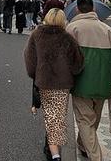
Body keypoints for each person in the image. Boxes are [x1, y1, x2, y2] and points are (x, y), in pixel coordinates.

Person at [65, 0, 111, 161]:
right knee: (94, 118)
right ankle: (82, 144)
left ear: (77, 9)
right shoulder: (108, 30)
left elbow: (66, 57)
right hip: (104, 81)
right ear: (94, 9)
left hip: (80, 81)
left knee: (85, 120)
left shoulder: (72, 28)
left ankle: (95, 156)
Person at [24, 9, 84, 160]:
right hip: (62, 84)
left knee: (50, 115)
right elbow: (78, 64)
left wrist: (35, 74)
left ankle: (53, 153)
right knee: (57, 116)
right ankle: (53, 151)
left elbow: (30, 61)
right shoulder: (67, 38)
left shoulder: (36, 35)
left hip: (44, 82)